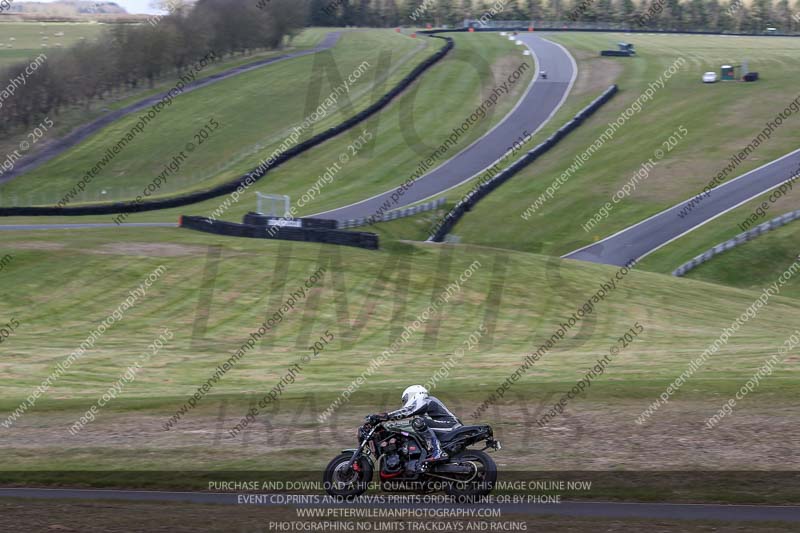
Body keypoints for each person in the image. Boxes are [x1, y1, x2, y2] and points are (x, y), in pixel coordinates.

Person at [368, 385, 461, 462]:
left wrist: (385, 416)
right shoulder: (425, 404)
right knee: (415, 424)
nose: (405, 403)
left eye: (405, 399)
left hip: (451, 426)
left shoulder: (426, 400)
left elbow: (408, 411)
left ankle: (437, 451)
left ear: (413, 395)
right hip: (446, 426)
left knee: (417, 422)